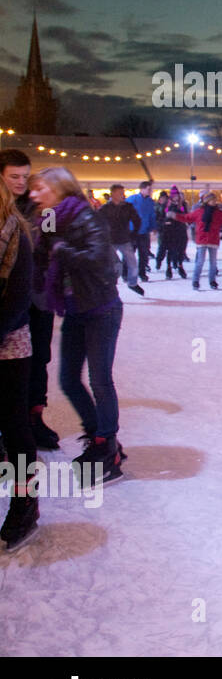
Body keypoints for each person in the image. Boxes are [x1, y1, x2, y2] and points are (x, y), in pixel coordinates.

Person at [28, 167, 126, 483]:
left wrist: (61, 250)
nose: (32, 194)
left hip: (101, 310)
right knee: (69, 380)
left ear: (57, 188)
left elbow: (99, 258)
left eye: (38, 188)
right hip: (75, 310)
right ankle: (100, 435)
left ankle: (106, 446)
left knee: (100, 380)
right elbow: (40, 258)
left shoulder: (86, 216)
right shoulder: (49, 220)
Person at [1, 150, 60, 451]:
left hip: (37, 296)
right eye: (15, 176)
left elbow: (52, 244)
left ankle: (34, 416)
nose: (22, 182)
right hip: (9, 297)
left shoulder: (42, 208)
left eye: (25, 176)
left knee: (39, 359)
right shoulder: (2, 208)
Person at [0, 178, 40, 547]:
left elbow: (16, 300)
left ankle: (25, 501)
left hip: (9, 345)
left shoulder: (16, 236)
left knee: (14, 425)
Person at [175, 192, 222, 290]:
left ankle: (212, 281)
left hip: (213, 240)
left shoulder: (218, 212)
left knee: (213, 263)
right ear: (207, 201)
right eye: (212, 200)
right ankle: (195, 281)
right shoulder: (199, 211)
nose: (214, 202)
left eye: (215, 200)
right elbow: (187, 217)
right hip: (202, 240)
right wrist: (175, 216)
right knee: (200, 262)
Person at [99, 185, 146, 296]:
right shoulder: (105, 209)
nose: (123, 195)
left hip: (125, 239)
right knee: (114, 265)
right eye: (121, 193)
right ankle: (110, 286)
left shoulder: (128, 207)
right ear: (113, 194)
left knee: (133, 264)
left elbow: (137, 220)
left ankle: (132, 283)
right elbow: (98, 223)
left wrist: (134, 234)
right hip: (110, 241)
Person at [125, 180, 156, 283]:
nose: (150, 191)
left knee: (143, 254)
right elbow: (123, 213)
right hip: (132, 232)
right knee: (129, 254)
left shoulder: (150, 202)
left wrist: (153, 227)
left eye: (150, 189)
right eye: (148, 189)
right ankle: (125, 273)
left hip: (144, 232)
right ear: (142, 189)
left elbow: (152, 215)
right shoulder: (132, 199)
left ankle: (142, 273)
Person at [158, 187, 189, 279]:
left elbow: (186, 216)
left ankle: (180, 266)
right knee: (171, 250)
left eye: (177, 195)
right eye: (174, 195)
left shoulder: (182, 205)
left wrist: (181, 218)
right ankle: (169, 268)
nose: (176, 197)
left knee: (181, 250)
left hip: (181, 230)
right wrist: (165, 221)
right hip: (170, 231)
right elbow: (161, 217)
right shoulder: (166, 205)